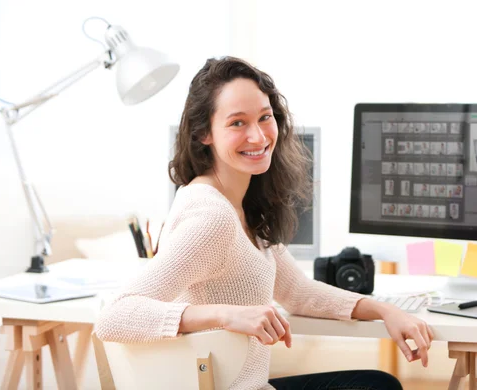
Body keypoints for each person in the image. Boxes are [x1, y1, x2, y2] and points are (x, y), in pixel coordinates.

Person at [94, 57, 432, 390]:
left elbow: (297, 292)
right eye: (237, 123)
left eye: (264, 117)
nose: (257, 136)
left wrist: (385, 311)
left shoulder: (241, 207)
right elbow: (115, 317)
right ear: (203, 134)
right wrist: (224, 315)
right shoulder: (212, 218)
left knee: (374, 383)